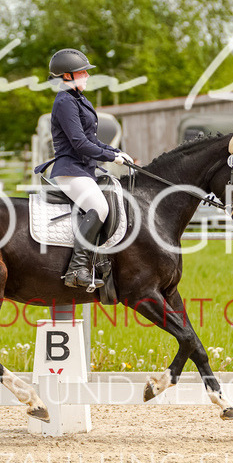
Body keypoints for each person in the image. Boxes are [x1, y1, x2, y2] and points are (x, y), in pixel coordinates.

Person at [44, 48, 133, 289]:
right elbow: (80, 143)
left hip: (84, 170)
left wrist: (116, 152)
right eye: (81, 72)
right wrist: (110, 158)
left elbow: (91, 139)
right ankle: (76, 269)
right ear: (65, 77)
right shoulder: (64, 102)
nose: (86, 75)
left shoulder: (79, 99)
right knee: (99, 207)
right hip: (70, 170)